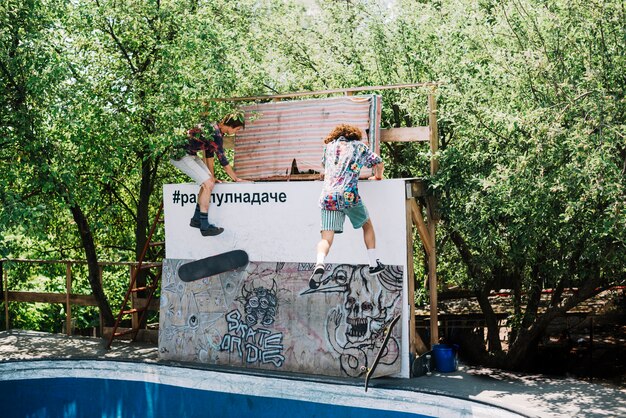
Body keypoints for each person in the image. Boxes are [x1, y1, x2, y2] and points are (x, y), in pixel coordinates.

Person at [309, 124, 385, 288]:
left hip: (328, 197)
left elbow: (325, 166)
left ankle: (320, 264)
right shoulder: (358, 147)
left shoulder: (329, 147)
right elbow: (378, 162)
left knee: (326, 239)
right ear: (354, 135)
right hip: (349, 195)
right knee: (367, 226)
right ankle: (373, 264)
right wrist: (378, 177)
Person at [170, 113, 246, 236]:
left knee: (208, 181)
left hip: (191, 154)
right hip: (180, 155)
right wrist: (236, 179)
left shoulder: (215, 129)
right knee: (208, 184)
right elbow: (223, 161)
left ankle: (196, 219)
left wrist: (212, 176)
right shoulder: (216, 134)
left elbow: (209, 155)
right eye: (236, 129)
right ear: (230, 125)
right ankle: (204, 226)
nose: (236, 132)